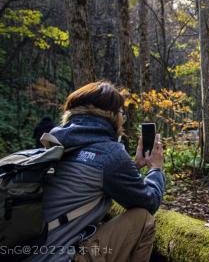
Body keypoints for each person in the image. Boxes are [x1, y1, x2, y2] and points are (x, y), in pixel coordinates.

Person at [32, 81, 166, 262]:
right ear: (112, 116)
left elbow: (85, 181)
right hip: (62, 257)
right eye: (121, 113)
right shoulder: (110, 153)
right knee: (143, 219)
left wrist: (134, 166)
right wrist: (156, 169)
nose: (123, 118)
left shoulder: (56, 144)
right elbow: (149, 202)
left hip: (28, 253)